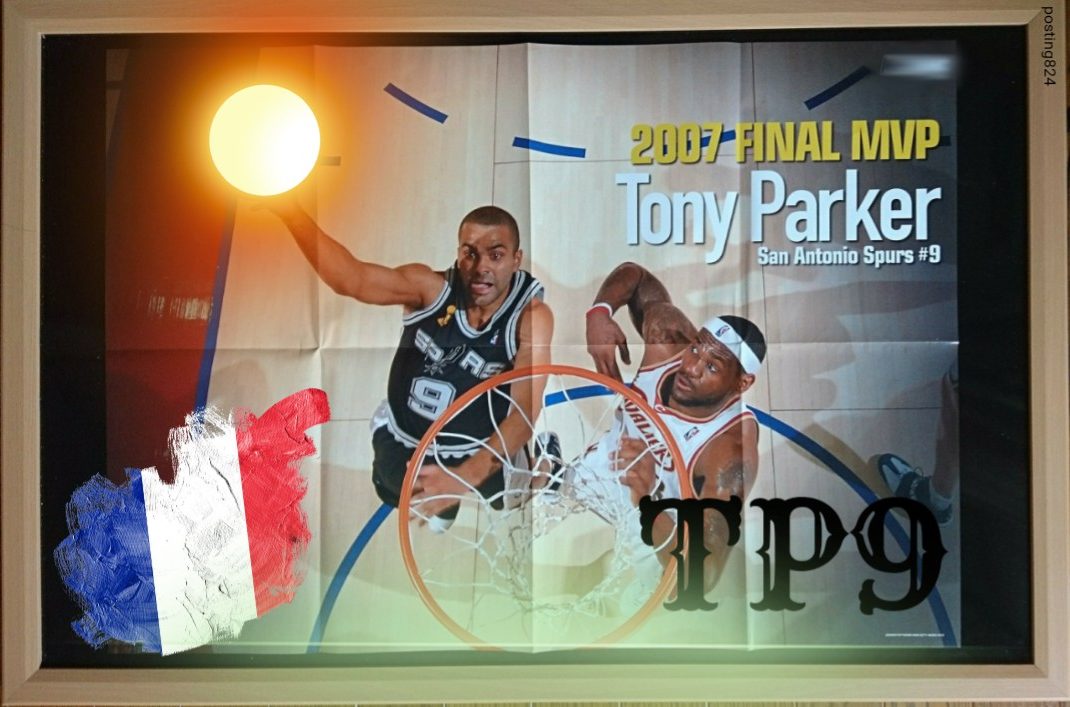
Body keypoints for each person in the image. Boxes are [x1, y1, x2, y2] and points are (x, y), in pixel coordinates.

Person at [266, 199, 554, 526]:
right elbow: (352, 279)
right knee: (393, 492)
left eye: (496, 255)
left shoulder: (531, 317)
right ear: (458, 253)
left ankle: (547, 465)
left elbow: (524, 410)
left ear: (516, 260)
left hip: (478, 444)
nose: (481, 267)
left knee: (514, 498)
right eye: (470, 253)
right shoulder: (430, 289)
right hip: (408, 437)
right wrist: (291, 213)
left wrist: (463, 477)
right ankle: (442, 504)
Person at [584, 261, 765, 593]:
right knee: (528, 483)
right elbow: (638, 276)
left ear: (742, 383)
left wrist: (646, 496)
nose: (691, 367)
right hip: (613, 460)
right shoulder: (667, 340)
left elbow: (703, 575)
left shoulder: (730, 452)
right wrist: (599, 313)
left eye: (712, 366)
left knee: (629, 601)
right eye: (695, 348)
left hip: (662, 513)